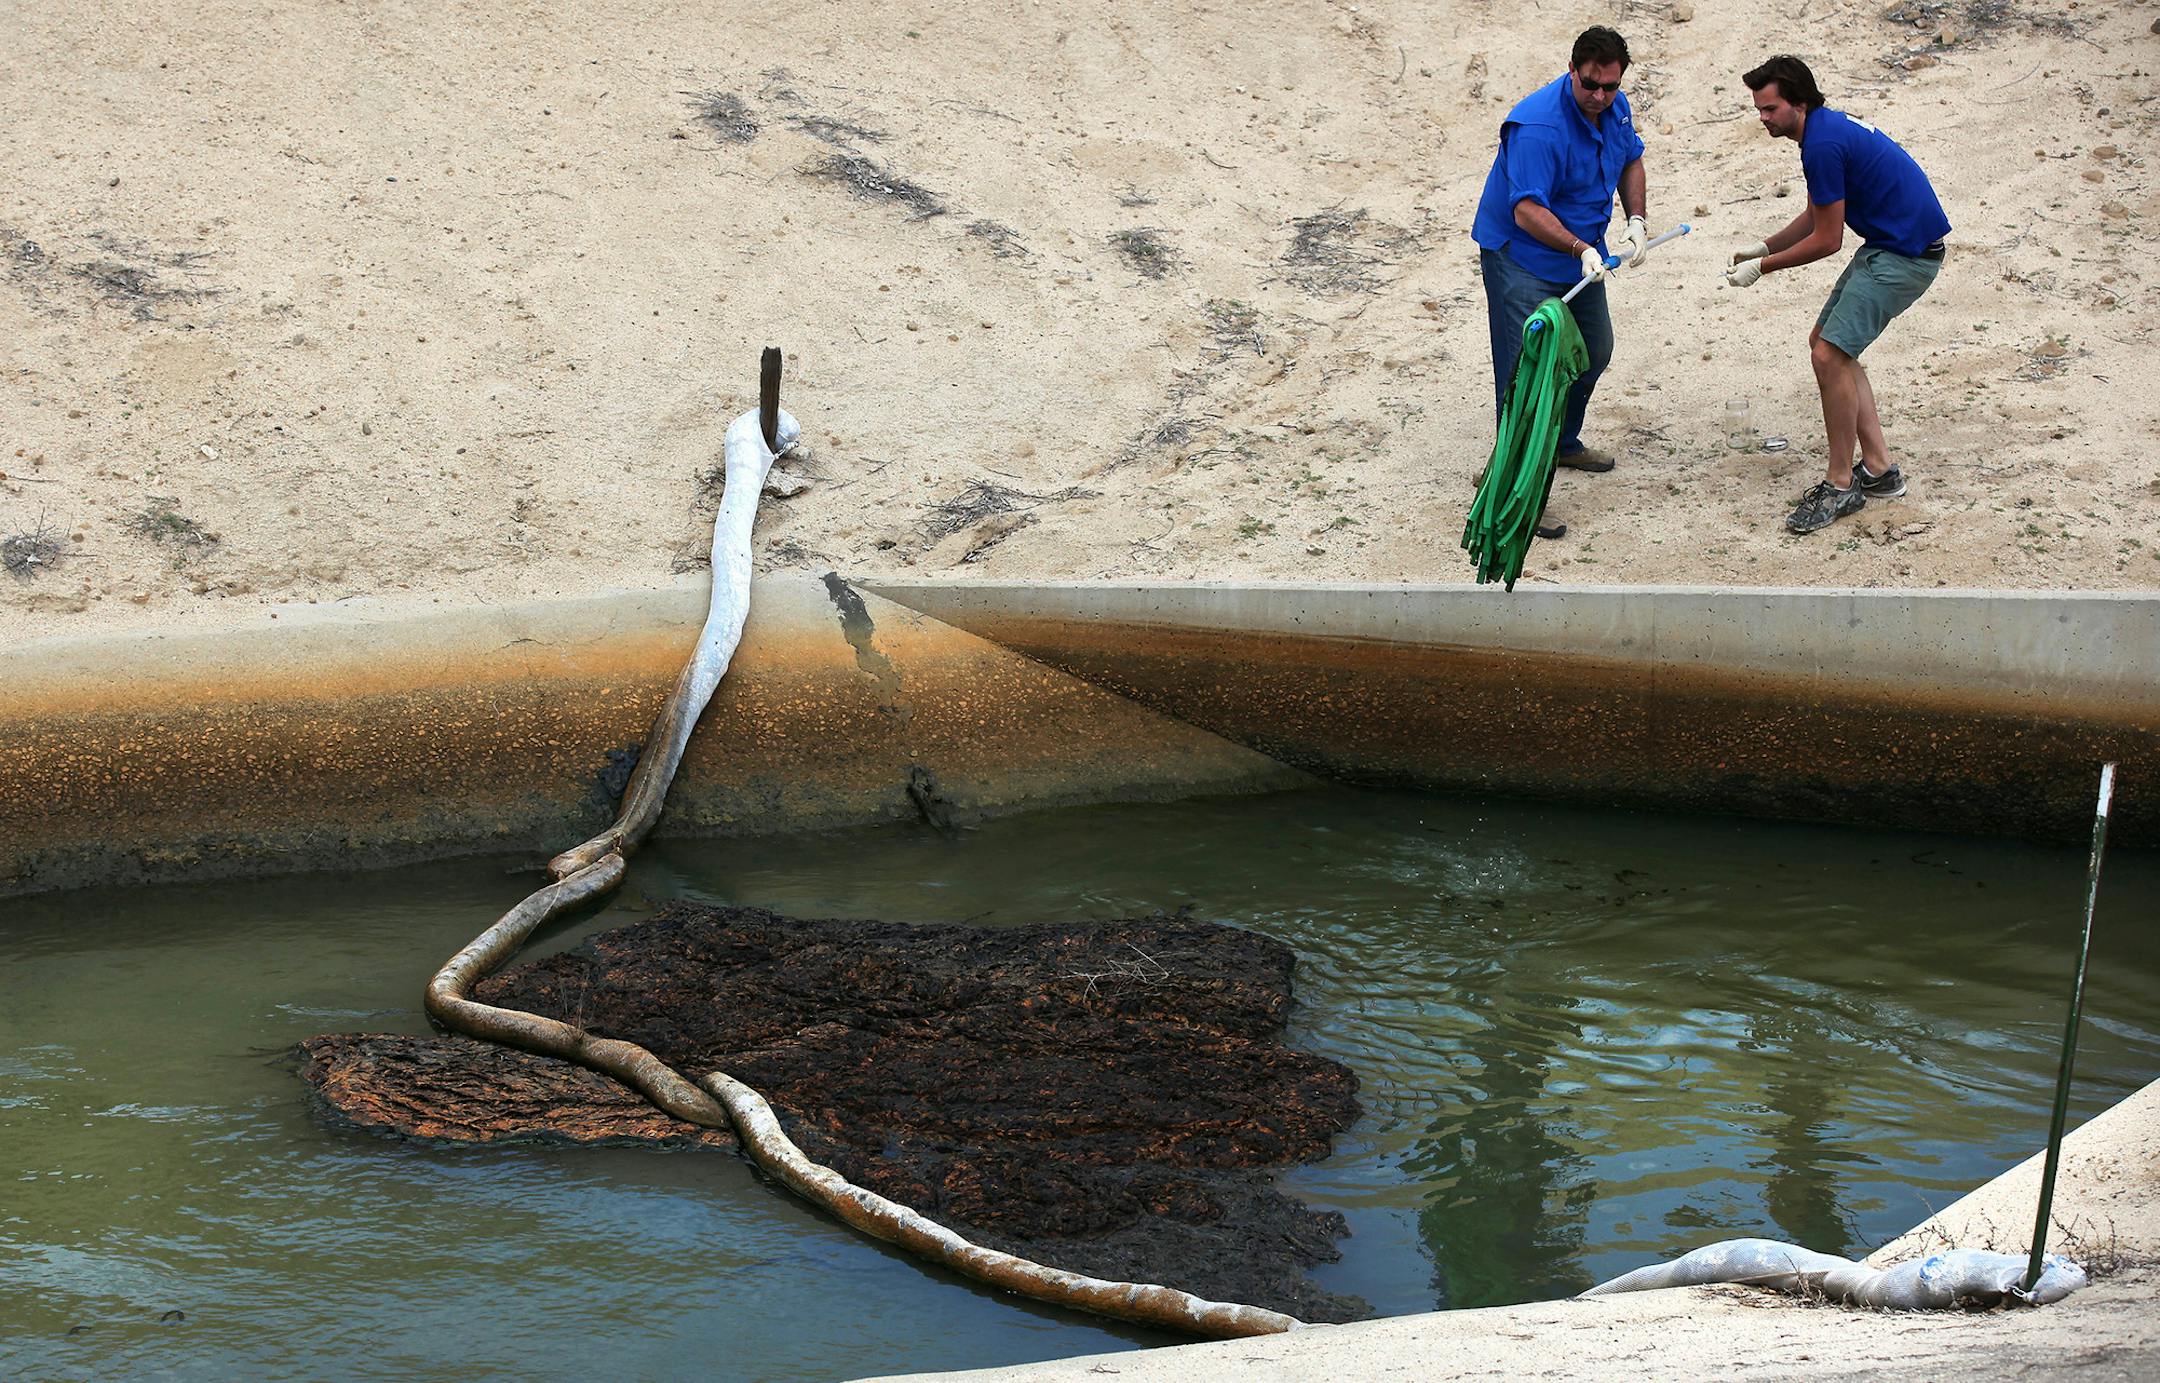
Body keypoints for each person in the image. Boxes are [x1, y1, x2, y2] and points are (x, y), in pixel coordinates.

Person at [1727, 55, 1950, 535]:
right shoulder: (1824, 131)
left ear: (1798, 102)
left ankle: (1840, 482)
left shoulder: (1822, 146)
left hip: (1905, 255)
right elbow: (1816, 215)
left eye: (1769, 109)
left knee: (1829, 354)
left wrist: (1762, 269)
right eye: (1759, 109)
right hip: (1895, 245)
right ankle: (1879, 470)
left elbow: (1828, 241)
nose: (1762, 119)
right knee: (1827, 346)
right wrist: (1764, 245)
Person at [1472, 25, 1652, 540]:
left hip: (1581, 255)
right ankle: (1512, 488)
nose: (1599, 96)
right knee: (1529, 374)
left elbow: (1631, 158)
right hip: (1522, 259)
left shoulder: (1614, 108)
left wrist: (1636, 219)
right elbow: (1528, 209)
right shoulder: (1538, 126)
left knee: (1593, 350)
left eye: (1610, 86)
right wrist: (1581, 248)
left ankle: (1563, 442)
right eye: (1590, 84)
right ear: (1572, 71)